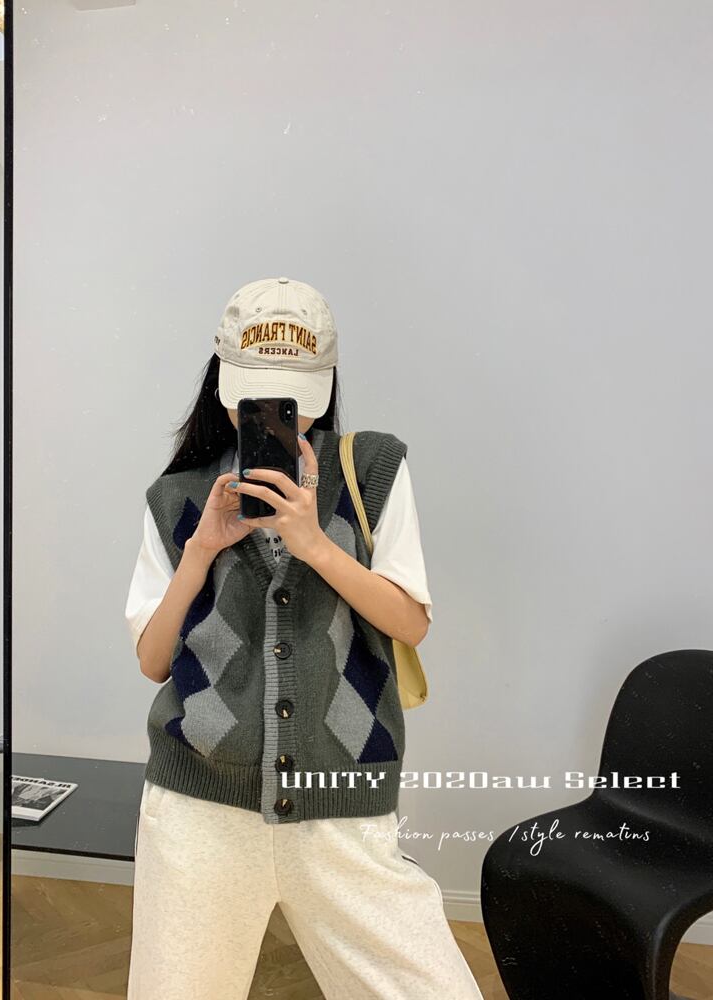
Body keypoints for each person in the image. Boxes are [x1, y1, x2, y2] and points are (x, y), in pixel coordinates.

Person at [124, 276, 483, 1000]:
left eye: (291, 398)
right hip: (199, 811)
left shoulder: (372, 470)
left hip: (343, 802)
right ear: (223, 384)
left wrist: (315, 544)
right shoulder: (177, 495)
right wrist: (200, 551)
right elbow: (154, 661)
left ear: (324, 385)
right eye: (255, 395)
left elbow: (410, 622)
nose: (271, 414)